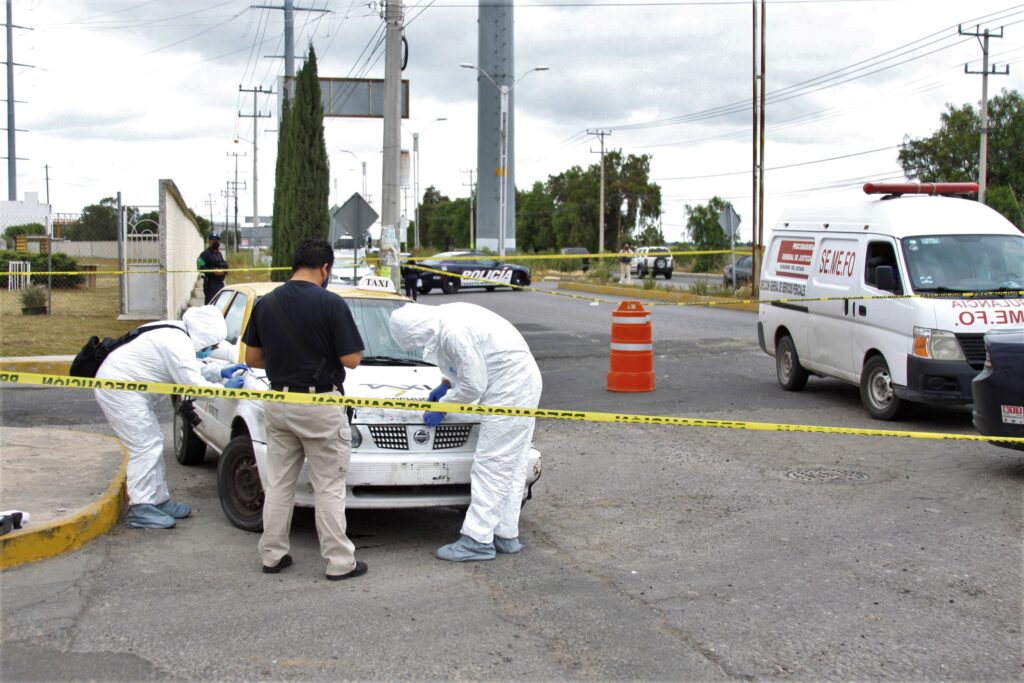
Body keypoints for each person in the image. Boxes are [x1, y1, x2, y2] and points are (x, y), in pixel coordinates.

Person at [242, 239, 368, 581]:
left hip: (279, 402)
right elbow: (351, 360)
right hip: (320, 404)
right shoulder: (331, 303)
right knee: (327, 485)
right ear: (325, 268)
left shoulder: (266, 304)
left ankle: (273, 555)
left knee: (280, 483)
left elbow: (252, 359)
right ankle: (340, 562)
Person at [389, 302, 543, 562]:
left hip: (511, 391)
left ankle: (477, 540)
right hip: (519, 385)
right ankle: (505, 534)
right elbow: (461, 363)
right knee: (512, 465)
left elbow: (473, 384)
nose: (419, 343)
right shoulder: (446, 317)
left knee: (491, 465)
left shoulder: (451, 330)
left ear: (416, 330)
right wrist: (446, 385)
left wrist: (444, 404)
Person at [94, 306, 246, 529]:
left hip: (127, 389)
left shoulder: (177, 333)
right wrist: (225, 390)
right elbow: (194, 384)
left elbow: (190, 366)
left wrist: (219, 373)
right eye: (211, 345)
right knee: (144, 447)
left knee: (153, 441)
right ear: (203, 336)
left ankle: (158, 500)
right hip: (119, 391)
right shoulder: (177, 343)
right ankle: (140, 507)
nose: (211, 350)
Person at [197, 233, 229, 304]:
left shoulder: (219, 254)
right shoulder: (204, 254)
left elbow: (225, 265)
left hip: (220, 284)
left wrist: (224, 271)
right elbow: (200, 267)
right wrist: (213, 272)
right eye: (213, 240)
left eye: (218, 240)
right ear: (209, 241)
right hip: (211, 285)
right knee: (210, 306)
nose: (216, 242)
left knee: (219, 305)